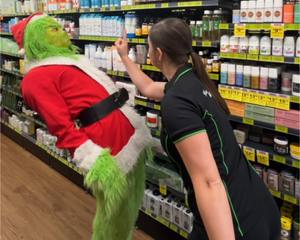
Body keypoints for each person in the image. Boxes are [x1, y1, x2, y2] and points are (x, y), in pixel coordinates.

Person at [115, 17, 281, 240]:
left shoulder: (176, 103)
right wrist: (125, 57)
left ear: (159, 54)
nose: (148, 52)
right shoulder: (192, 82)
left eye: (149, 47)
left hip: (235, 219)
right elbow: (148, 87)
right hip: (255, 201)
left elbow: (209, 182)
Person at [11, 13, 153, 240]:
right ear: (34, 40)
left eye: (59, 28)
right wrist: (93, 158)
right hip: (106, 147)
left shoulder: (72, 61)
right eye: (52, 29)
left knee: (130, 202)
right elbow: (61, 126)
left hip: (127, 132)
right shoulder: (35, 78)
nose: (62, 32)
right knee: (112, 213)